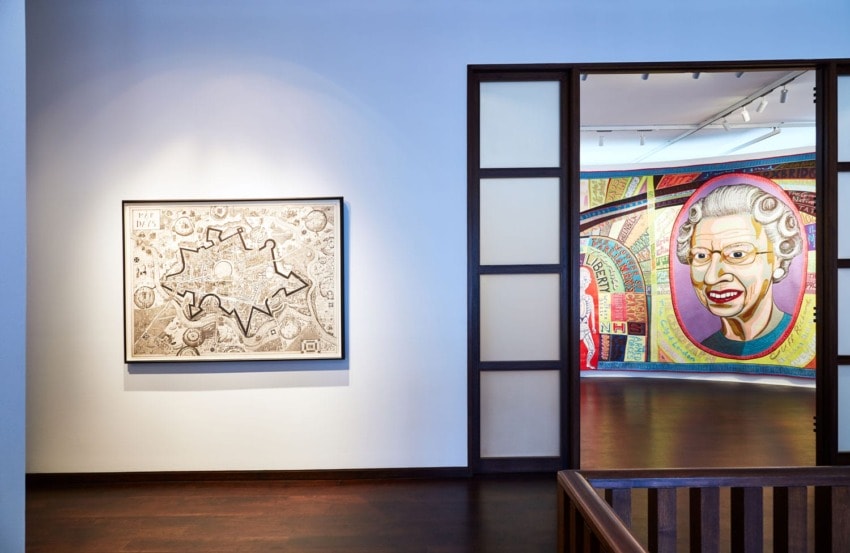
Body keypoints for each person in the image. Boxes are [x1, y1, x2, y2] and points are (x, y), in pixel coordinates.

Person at [674, 183, 804, 356]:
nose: (712, 277)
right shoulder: (706, 348)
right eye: (701, 256)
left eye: (737, 254)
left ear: (778, 261)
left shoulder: (804, 342)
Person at [579, 266, 597, 368]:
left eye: (587, 279)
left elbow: (592, 314)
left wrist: (593, 326)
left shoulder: (589, 298)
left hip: (586, 329)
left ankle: (588, 363)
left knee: (592, 349)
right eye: (582, 278)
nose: (585, 282)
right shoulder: (574, 295)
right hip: (576, 328)